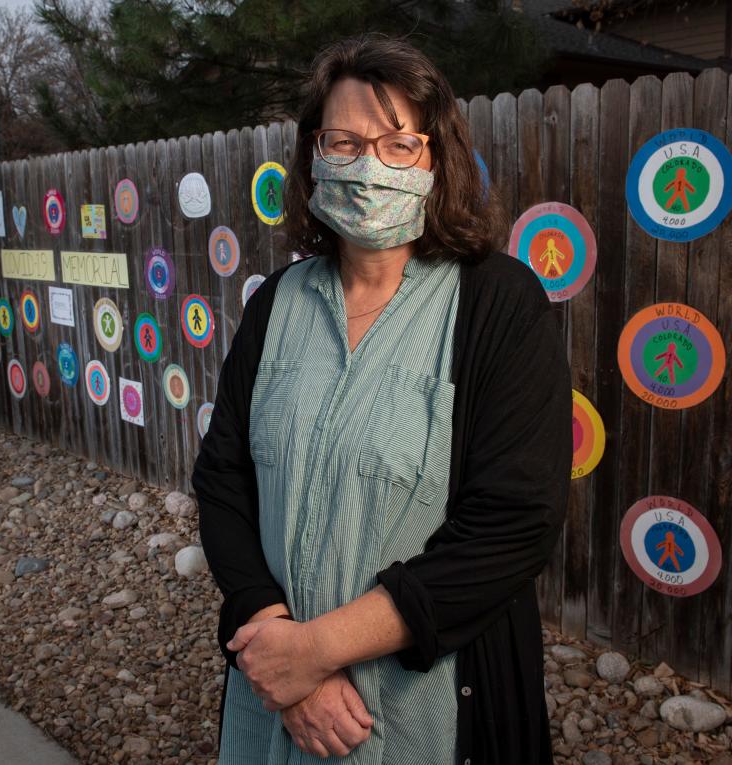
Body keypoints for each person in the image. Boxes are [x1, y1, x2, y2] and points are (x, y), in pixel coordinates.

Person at [192, 33, 571, 765]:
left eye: (399, 144)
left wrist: (314, 650)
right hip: (274, 693)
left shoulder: (498, 303)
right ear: (311, 156)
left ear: (437, 158)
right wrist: (277, 646)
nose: (368, 166)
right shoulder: (276, 305)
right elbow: (224, 481)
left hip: (422, 708)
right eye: (343, 141)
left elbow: (515, 523)